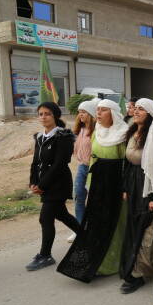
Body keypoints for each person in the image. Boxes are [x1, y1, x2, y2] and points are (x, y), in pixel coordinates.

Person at [57, 99, 129, 282]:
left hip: (116, 184)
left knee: (116, 222)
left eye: (103, 110)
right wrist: (90, 183)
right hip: (98, 182)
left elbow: (126, 164)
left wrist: (125, 187)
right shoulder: (97, 132)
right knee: (97, 221)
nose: (99, 113)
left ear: (113, 113)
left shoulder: (123, 133)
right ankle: (95, 261)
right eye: (97, 110)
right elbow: (93, 159)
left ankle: (113, 261)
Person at [119, 98, 153, 294]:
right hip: (133, 183)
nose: (136, 111)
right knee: (134, 226)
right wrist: (125, 188)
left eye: (141, 109)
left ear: (150, 114)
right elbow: (127, 163)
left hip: (149, 186)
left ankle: (141, 271)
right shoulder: (132, 132)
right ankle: (133, 265)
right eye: (136, 108)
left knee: (147, 227)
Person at [26, 102, 81, 271]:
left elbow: (59, 164)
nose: (43, 117)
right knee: (62, 214)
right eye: (40, 114)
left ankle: (45, 255)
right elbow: (35, 162)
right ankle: (86, 237)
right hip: (45, 184)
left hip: (58, 184)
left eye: (47, 114)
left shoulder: (63, 136)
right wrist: (33, 182)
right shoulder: (39, 137)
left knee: (45, 218)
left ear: (55, 115)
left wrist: (42, 185)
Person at [68, 99, 98, 243]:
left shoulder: (96, 131)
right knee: (78, 196)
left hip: (93, 168)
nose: (80, 115)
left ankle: (92, 229)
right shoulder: (79, 130)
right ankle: (79, 229)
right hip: (82, 167)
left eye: (84, 112)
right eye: (79, 112)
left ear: (91, 114)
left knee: (92, 200)